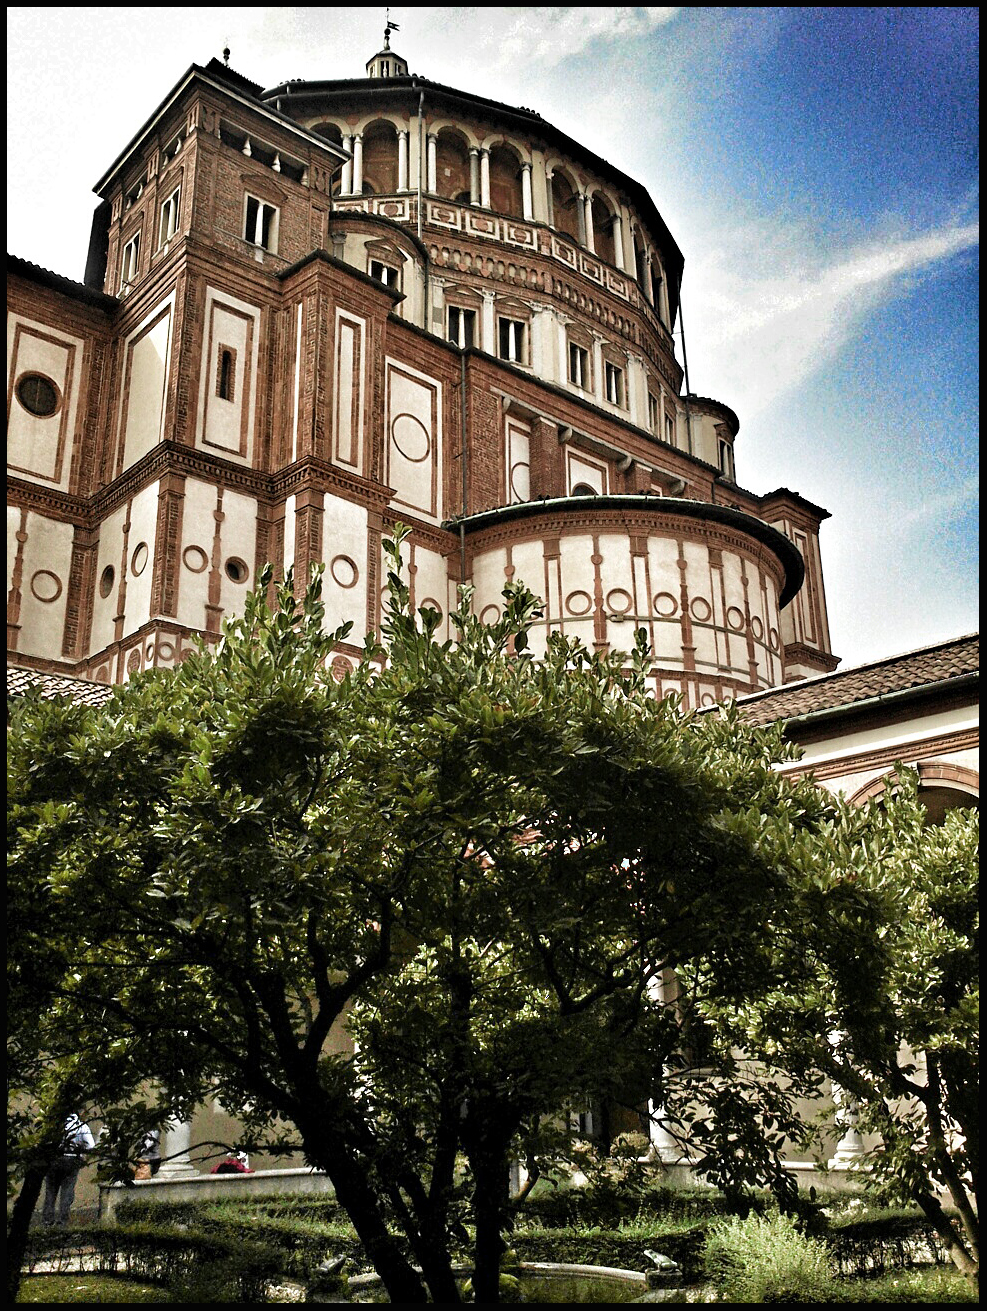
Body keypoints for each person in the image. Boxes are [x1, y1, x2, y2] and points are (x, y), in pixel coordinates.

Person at [42, 1113, 95, 1227]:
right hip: (71, 1160)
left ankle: (47, 1221)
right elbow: (91, 1145)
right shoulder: (81, 1126)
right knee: (67, 1192)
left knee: (51, 1191)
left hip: (54, 1160)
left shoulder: (55, 1125)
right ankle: (62, 1221)